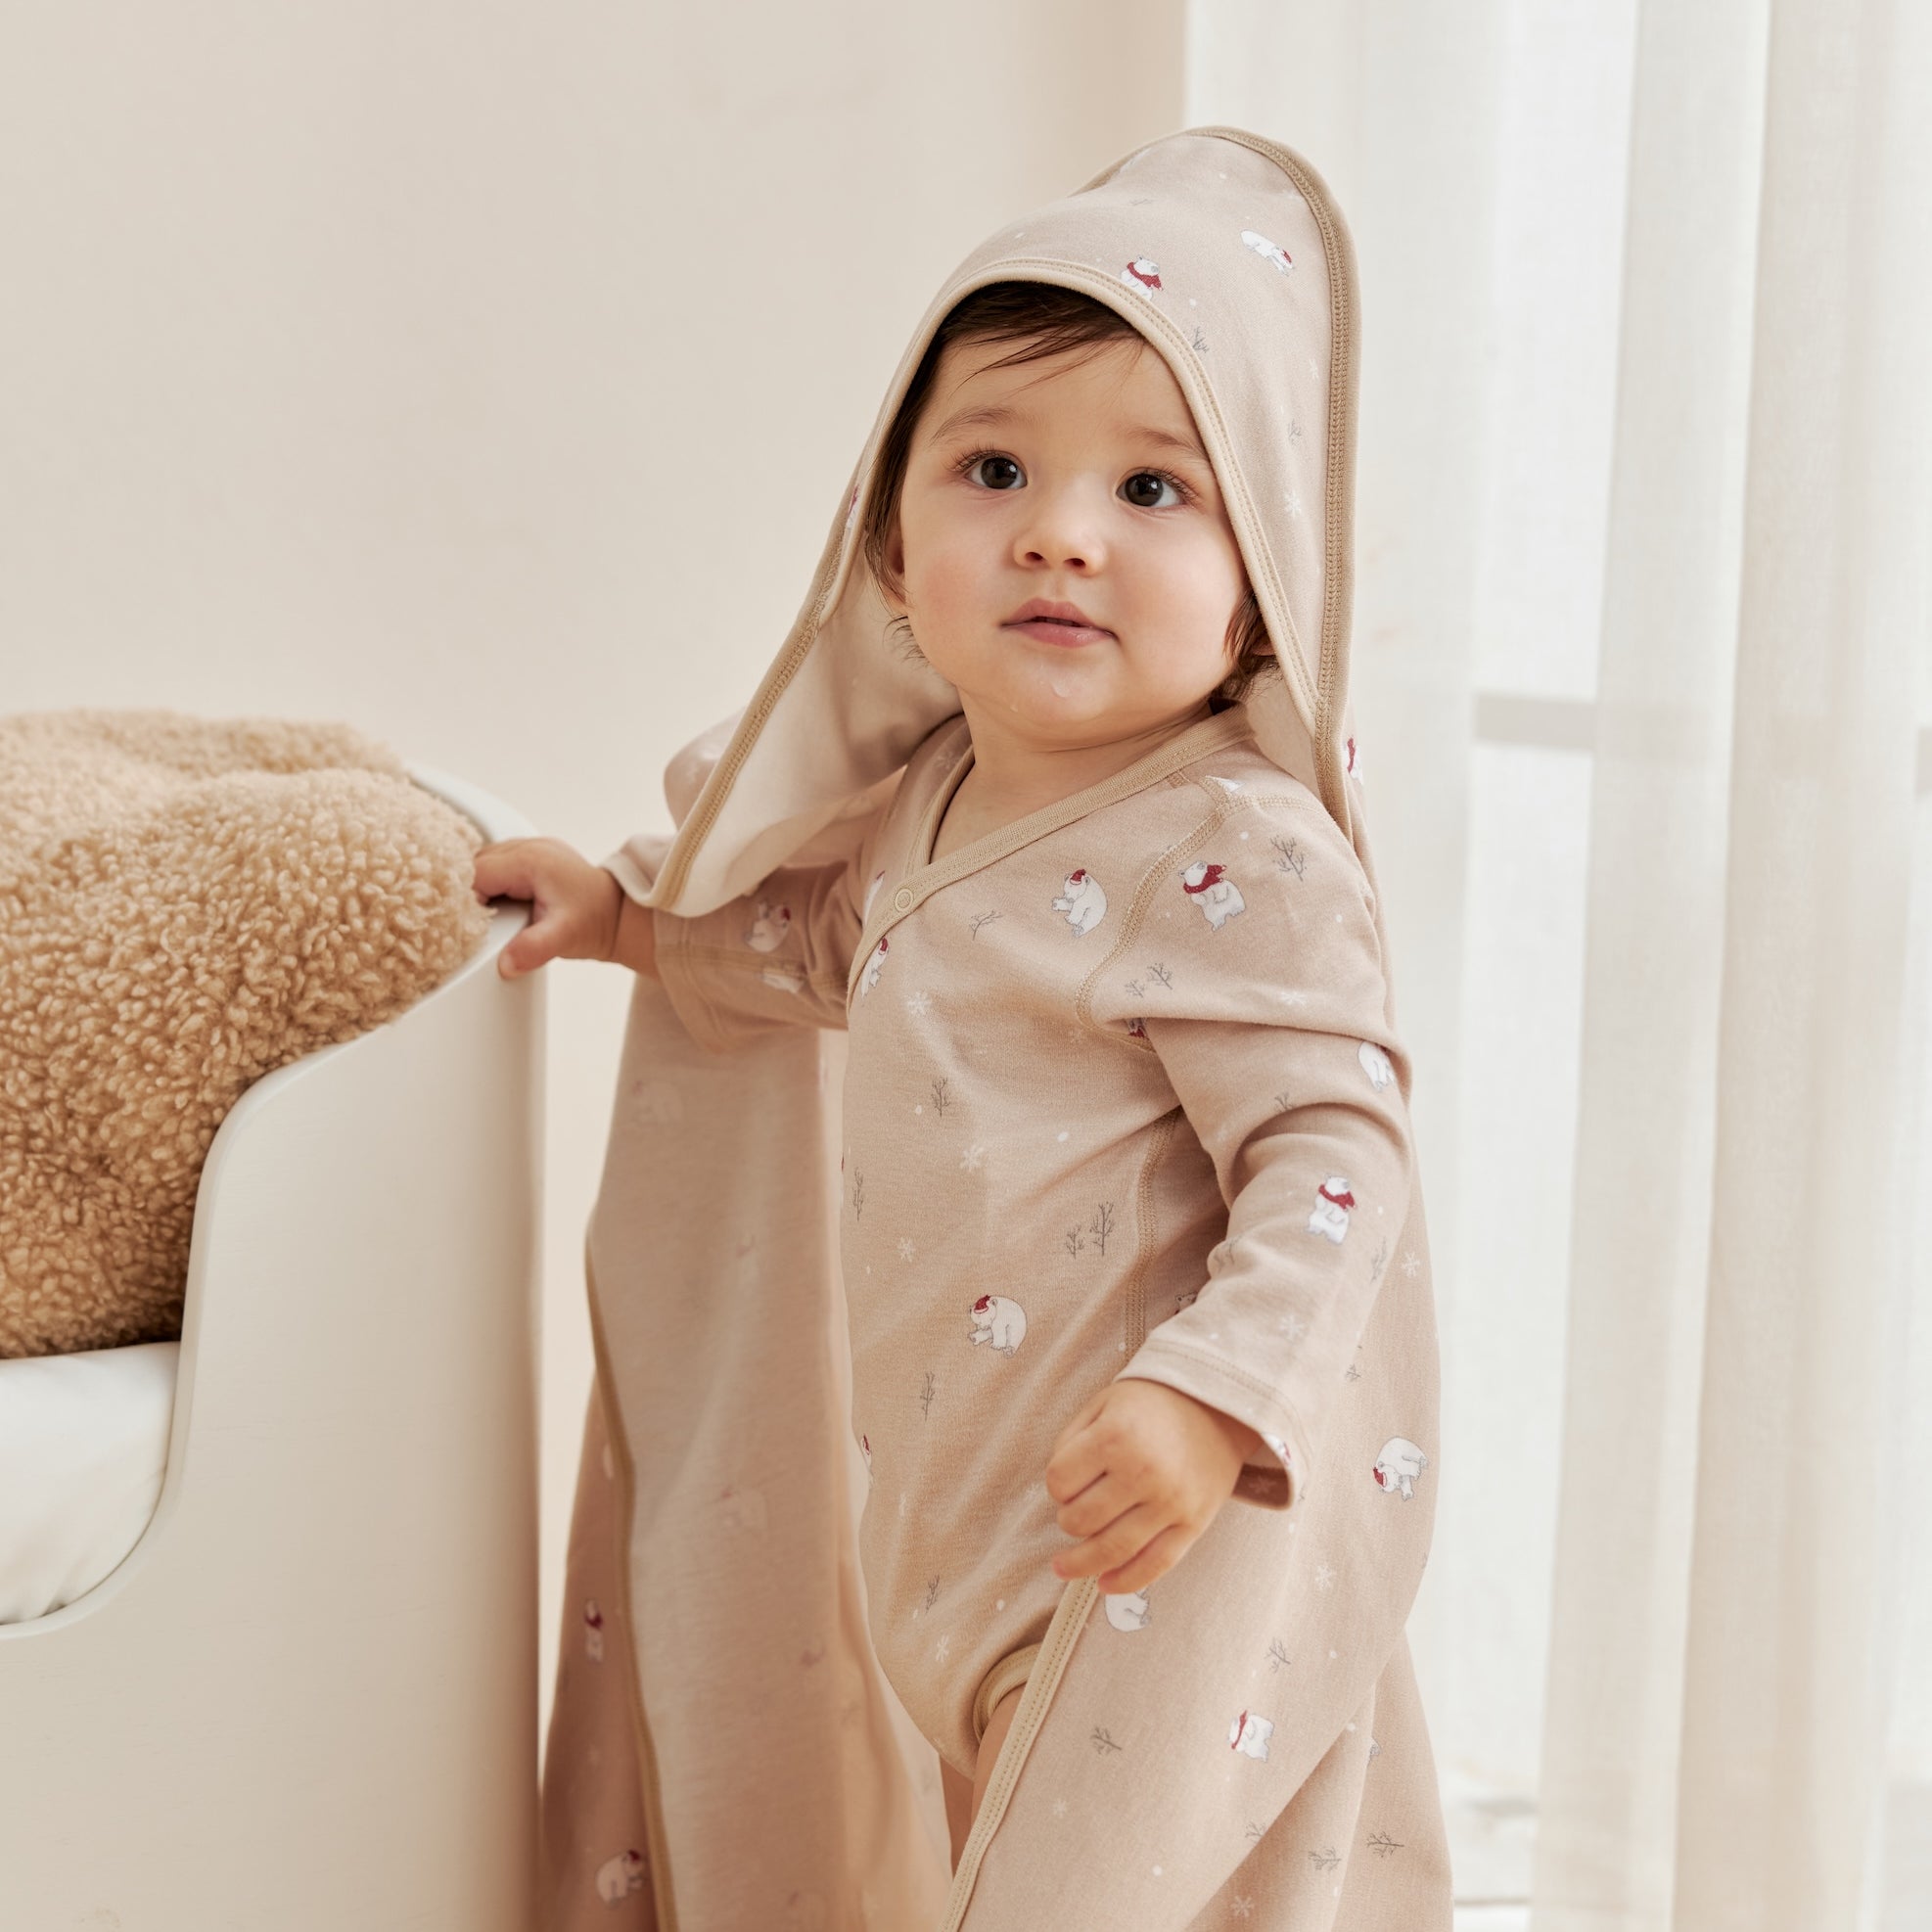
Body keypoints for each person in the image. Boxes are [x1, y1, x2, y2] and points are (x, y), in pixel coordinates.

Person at [486, 128, 1449, 1931]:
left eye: (1156, 491)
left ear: (1261, 575)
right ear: (890, 544)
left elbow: (1335, 1153)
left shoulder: (1231, 842)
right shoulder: (931, 804)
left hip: (1151, 1527)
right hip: (963, 1525)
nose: (1060, 530)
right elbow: (820, 945)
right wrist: (628, 913)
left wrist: (1205, 1393)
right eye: (993, 466)